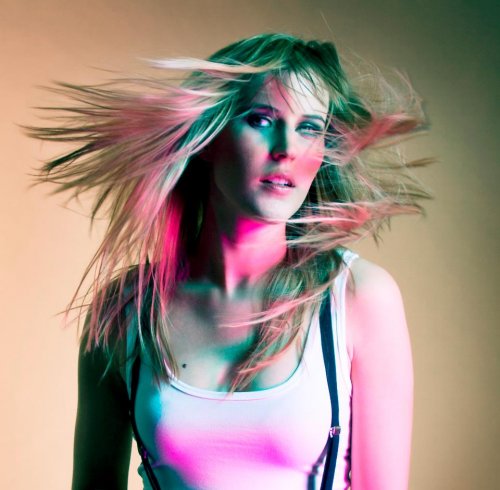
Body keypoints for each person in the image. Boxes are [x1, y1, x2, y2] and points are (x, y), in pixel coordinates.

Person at [29, 33, 430, 490]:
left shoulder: (355, 297)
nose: (287, 148)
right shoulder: (127, 310)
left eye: (309, 128)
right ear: (208, 139)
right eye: (261, 119)